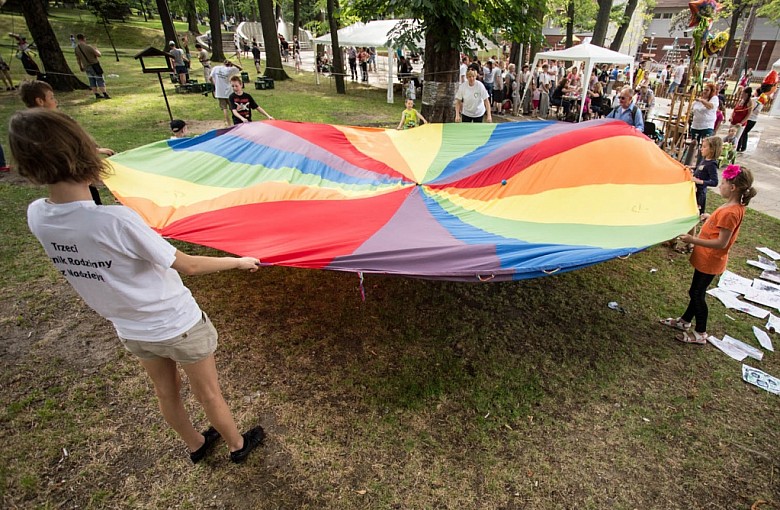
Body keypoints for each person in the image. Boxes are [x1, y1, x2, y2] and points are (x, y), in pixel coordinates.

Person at [9, 108, 266, 464]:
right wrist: (238, 261)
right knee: (208, 392)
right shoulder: (116, 221)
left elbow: (80, 219)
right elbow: (187, 264)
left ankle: (195, 444)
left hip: (131, 329)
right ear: (83, 152)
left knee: (165, 392)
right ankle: (237, 445)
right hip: (178, 323)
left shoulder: (37, 214)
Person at [661, 165, 757, 344]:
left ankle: (700, 333)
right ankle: (684, 322)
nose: (720, 186)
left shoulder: (731, 212)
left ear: (733, 187)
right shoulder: (734, 206)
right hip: (707, 258)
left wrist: (693, 239)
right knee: (696, 291)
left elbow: (721, 242)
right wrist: (710, 217)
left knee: (697, 293)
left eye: (723, 183)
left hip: (711, 259)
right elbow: (721, 225)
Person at [19, 79, 114, 204]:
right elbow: (74, 143)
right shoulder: (54, 124)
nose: (55, 101)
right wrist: (94, 151)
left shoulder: (26, 125)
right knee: (88, 203)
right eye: (52, 98)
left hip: (61, 180)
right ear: (40, 101)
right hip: (73, 175)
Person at [74, 34, 110, 100]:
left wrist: (80, 67)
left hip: (86, 66)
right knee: (100, 79)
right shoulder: (88, 47)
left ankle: (96, 94)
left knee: (92, 80)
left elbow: (78, 59)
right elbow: (99, 55)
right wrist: (96, 49)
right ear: (84, 38)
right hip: (94, 65)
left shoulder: (76, 49)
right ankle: (105, 94)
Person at [691, 136, 721, 214]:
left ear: (712, 149)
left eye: (704, 147)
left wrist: (699, 181)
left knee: (696, 213)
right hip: (695, 190)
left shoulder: (712, 164)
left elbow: (714, 182)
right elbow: (701, 168)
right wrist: (692, 167)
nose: (701, 149)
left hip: (700, 193)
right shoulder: (705, 159)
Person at [210, 60, 241, 126]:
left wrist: (214, 84)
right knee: (233, 108)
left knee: (224, 108)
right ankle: (236, 121)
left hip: (219, 92)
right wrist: (234, 64)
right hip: (229, 91)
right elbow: (240, 68)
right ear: (230, 65)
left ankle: (229, 123)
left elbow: (210, 78)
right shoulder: (230, 69)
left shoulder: (215, 68)